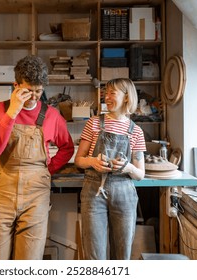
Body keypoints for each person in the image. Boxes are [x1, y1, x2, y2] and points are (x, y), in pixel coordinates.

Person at [0, 55, 74, 260]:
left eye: (38, 91)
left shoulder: (52, 115)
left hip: (36, 195)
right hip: (3, 191)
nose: (33, 97)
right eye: (28, 91)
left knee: (29, 260)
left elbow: (67, 148)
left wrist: (46, 169)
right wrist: (12, 113)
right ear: (16, 85)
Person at [74, 78, 146, 260]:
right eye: (106, 93)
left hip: (124, 192)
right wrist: (92, 162)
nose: (107, 97)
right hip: (93, 190)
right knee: (94, 253)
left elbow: (140, 174)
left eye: (112, 93)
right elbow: (78, 160)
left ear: (127, 97)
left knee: (122, 253)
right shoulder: (93, 123)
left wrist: (128, 166)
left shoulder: (136, 131)